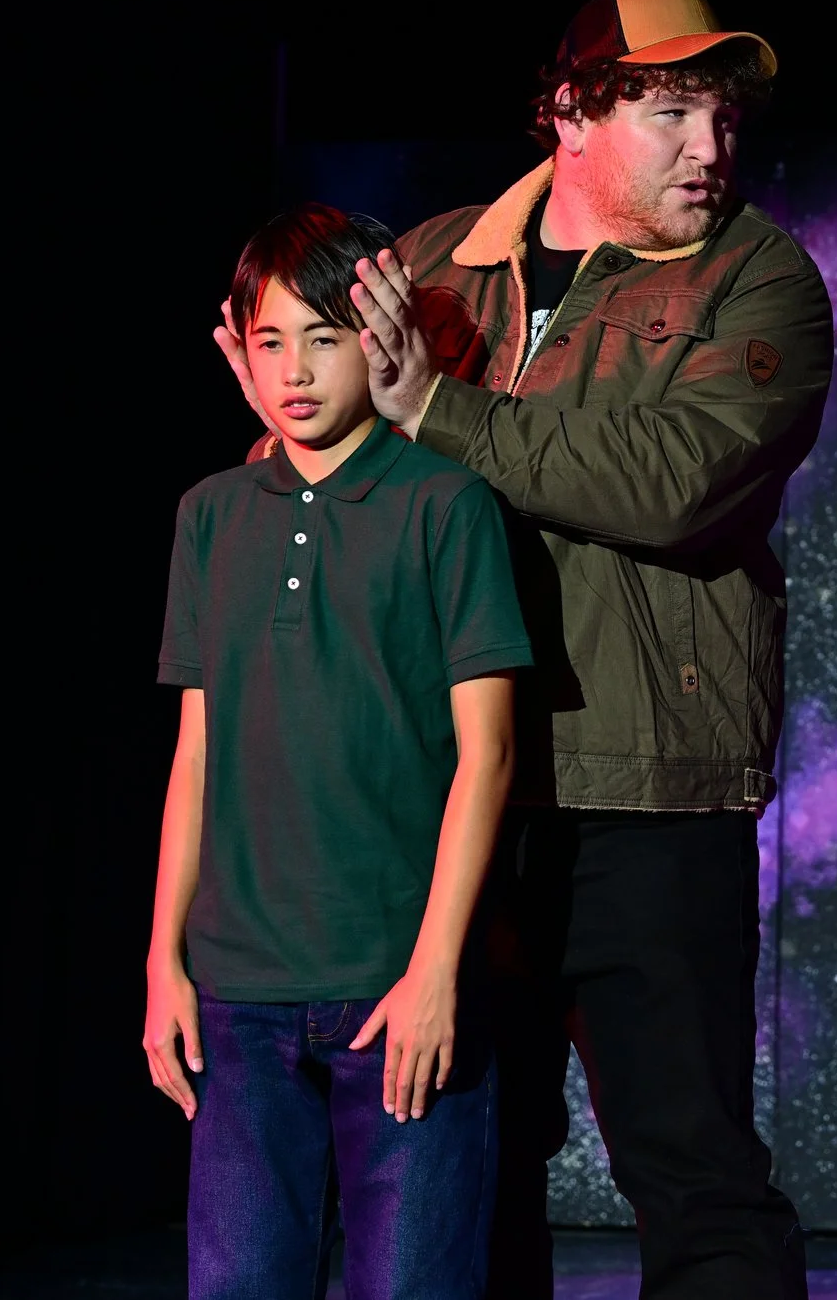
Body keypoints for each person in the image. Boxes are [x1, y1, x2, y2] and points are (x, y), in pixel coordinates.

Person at [223, 0, 831, 1299]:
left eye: (722, 114)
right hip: (441, 808)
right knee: (455, 1171)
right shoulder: (429, 263)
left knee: (695, 1172)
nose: (711, 147)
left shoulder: (759, 277)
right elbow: (315, 475)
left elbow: (672, 479)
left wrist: (434, 410)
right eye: (672, 109)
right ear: (569, 109)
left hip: (644, 795)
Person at [147, 205, 533, 1300]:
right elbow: (196, 754)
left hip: (395, 987)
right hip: (239, 991)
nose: (297, 370)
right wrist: (162, 958)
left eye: (325, 335)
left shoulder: (447, 505)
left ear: (378, 335)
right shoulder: (210, 515)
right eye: (271, 341)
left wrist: (435, 969)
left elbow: (488, 756)